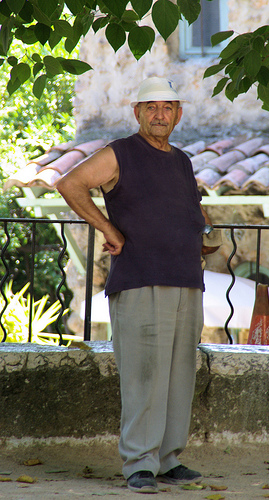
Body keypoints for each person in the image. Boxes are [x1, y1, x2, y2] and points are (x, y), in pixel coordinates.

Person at [57, 77, 211, 494]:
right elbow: (70, 183)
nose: (160, 115)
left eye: (168, 107)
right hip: (141, 278)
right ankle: (139, 463)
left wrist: (199, 236)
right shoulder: (120, 153)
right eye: (151, 107)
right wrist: (109, 228)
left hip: (185, 278)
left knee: (179, 374)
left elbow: (182, 209)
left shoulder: (181, 160)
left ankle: (167, 459)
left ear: (178, 114)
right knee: (144, 374)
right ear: (137, 112)